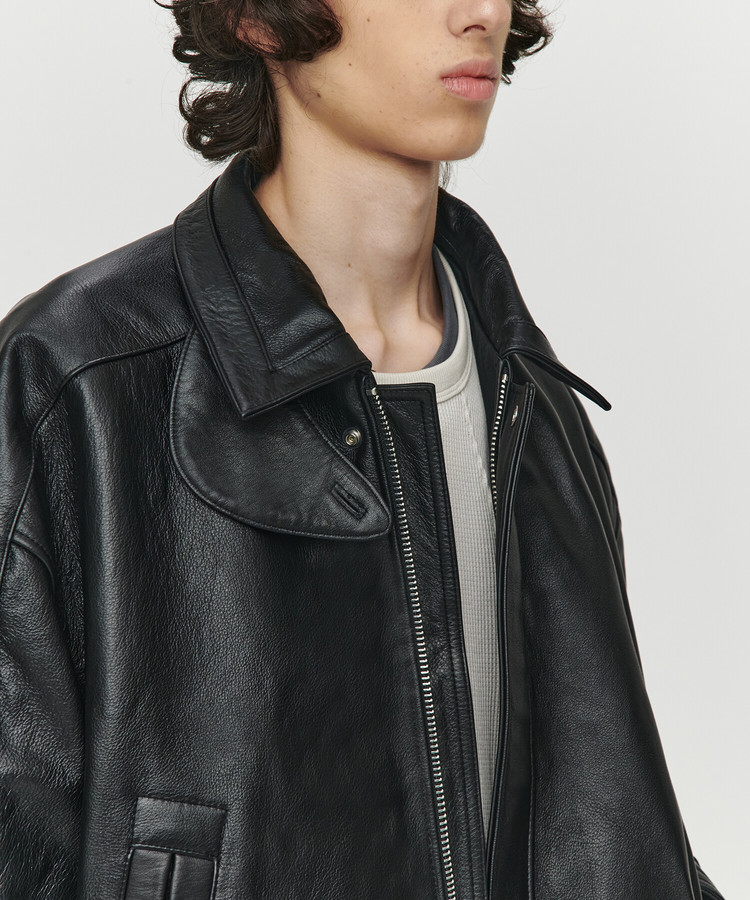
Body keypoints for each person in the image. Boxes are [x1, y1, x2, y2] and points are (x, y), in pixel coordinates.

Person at [0, 1, 726, 897]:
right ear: (259, 19)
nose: (480, 13)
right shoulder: (81, 379)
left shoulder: (530, 401)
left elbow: (622, 829)